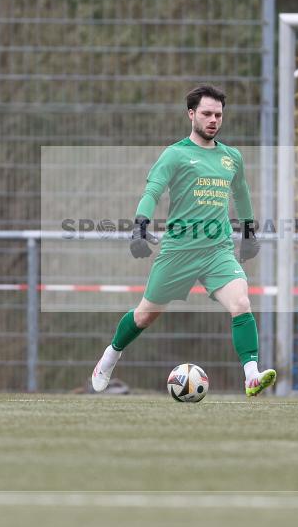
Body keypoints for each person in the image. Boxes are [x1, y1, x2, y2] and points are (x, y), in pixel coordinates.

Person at [90, 84, 276, 397]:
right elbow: (153, 191)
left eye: (218, 114)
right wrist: (139, 226)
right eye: (206, 113)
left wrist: (248, 232)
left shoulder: (232, 157)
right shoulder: (175, 155)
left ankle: (251, 376)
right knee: (145, 315)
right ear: (191, 114)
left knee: (241, 302)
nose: (213, 119)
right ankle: (109, 357)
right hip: (178, 250)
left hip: (217, 250)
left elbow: (241, 194)